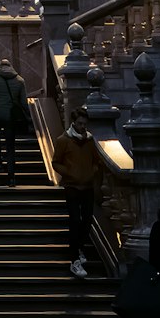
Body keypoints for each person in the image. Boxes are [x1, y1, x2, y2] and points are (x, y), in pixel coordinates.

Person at [51, 107, 103, 274]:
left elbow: (96, 159)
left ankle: (79, 248)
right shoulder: (63, 140)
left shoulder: (89, 140)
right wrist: (69, 172)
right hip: (72, 186)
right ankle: (74, 258)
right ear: (74, 123)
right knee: (75, 220)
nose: (82, 126)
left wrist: (92, 171)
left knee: (87, 221)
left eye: (85, 124)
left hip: (87, 186)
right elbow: (56, 162)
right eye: (80, 123)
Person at [0, 56, 34, 189]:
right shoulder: (20, 80)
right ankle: (11, 178)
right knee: (10, 147)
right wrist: (29, 118)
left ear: (0, 66)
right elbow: (23, 103)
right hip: (11, 117)